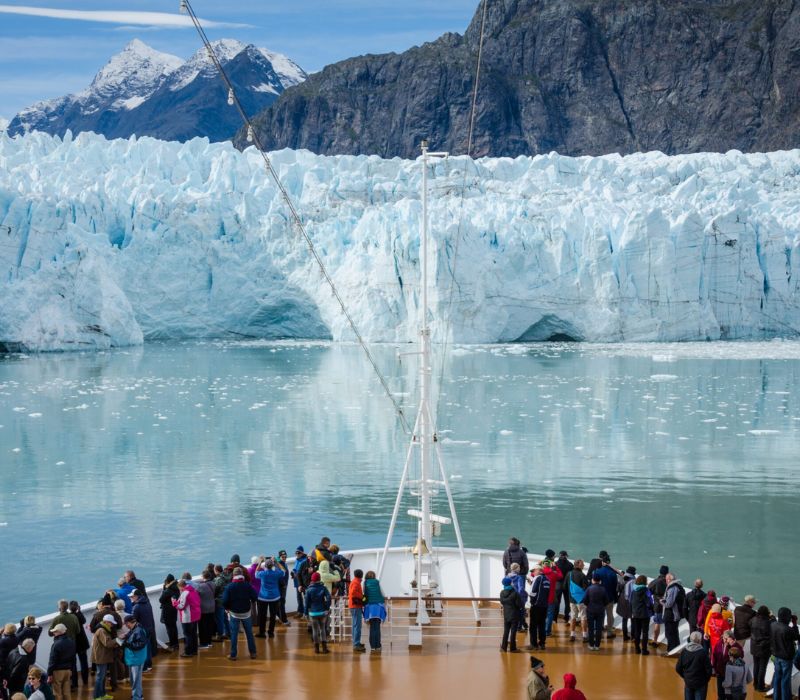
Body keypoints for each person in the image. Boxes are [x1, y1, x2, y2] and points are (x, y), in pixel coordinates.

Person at [222, 568, 258, 661]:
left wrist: (227, 608)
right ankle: (253, 653)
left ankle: (233, 655)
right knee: (249, 633)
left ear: (233, 575)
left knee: (234, 634)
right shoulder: (248, 585)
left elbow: (224, 600)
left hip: (234, 613)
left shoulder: (229, 587)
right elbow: (254, 597)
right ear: (242, 575)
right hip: (246, 613)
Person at [770, 607, 799, 700]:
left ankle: (776, 697)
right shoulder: (788, 629)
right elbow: (796, 637)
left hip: (776, 655)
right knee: (785, 680)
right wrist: (794, 624)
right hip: (786, 658)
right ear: (787, 618)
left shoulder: (773, 625)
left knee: (777, 678)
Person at [675, 630, 713, 700]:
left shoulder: (684, 651)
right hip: (701, 683)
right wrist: (705, 680)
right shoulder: (703, 653)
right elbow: (709, 670)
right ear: (699, 640)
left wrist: (685, 677)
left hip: (688, 682)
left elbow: (678, 668)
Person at [91, 614, 118, 700]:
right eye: (111, 623)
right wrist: (117, 640)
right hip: (101, 657)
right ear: (106, 622)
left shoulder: (103, 629)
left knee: (102, 677)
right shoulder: (102, 630)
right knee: (100, 677)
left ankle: (102, 695)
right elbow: (108, 643)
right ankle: (97, 696)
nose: (112, 625)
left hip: (102, 657)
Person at [255, 557, 283, 639]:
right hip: (275, 597)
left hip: (263, 597)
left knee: (262, 616)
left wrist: (260, 562)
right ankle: (271, 632)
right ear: (272, 566)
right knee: (273, 616)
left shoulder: (262, 574)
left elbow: (256, 572)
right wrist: (276, 562)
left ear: (265, 566)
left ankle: (262, 632)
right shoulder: (276, 573)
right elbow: (283, 571)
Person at [121, 615, 148, 700]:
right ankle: (138, 695)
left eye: (126, 624)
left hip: (136, 659)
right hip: (133, 658)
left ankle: (137, 697)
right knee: (134, 679)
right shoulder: (135, 628)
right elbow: (134, 637)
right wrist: (126, 636)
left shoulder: (139, 630)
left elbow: (141, 644)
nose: (125, 626)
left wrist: (128, 644)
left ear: (129, 623)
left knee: (136, 680)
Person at [305, 572, 331, 654]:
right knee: (322, 629)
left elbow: (306, 603)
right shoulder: (323, 588)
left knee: (315, 630)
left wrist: (306, 613)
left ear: (312, 580)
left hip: (313, 613)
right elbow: (329, 597)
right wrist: (327, 607)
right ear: (319, 579)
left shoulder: (308, 590)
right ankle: (324, 648)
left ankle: (316, 649)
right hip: (322, 612)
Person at [173, 579, 201, 657]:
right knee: (194, 634)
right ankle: (194, 650)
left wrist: (174, 603)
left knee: (188, 634)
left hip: (188, 617)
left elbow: (181, 606)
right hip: (195, 615)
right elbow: (198, 601)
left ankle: (188, 652)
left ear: (181, 586)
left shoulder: (185, 593)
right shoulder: (194, 591)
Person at [129, 589, 156, 671]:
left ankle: (144, 667)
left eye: (132, 597)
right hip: (149, 628)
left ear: (136, 597)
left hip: (142, 630)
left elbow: (133, 620)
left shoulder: (136, 607)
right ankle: (149, 665)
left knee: (142, 649)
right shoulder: (147, 603)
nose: (131, 598)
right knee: (148, 647)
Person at [47, 623, 75, 700]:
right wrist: (72, 669)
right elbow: (73, 658)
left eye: (55, 631)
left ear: (59, 632)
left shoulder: (56, 644)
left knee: (57, 693)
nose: (54, 633)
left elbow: (52, 660)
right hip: (68, 670)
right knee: (67, 692)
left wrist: (49, 674)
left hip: (58, 672)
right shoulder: (71, 642)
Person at [712, 631, 743, 700]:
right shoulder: (719, 644)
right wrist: (714, 668)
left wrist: (734, 645)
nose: (725, 640)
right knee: (720, 693)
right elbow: (714, 656)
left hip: (730, 674)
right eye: (724, 638)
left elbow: (741, 655)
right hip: (720, 672)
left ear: (731, 638)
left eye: (727, 638)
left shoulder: (735, 645)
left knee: (730, 694)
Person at [593, 557, 619, 638]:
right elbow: (615, 587)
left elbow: (594, 584)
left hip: (599, 597)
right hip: (609, 597)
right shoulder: (613, 573)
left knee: (600, 615)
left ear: (602, 562)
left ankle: (599, 632)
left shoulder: (597, 571)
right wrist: (615, 597)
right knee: (610, 614)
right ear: (609, 563)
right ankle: (609, 632)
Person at [749, 605, 772, 692]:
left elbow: (749, 624)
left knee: (756, 665)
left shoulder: (753, 620)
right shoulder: (768, 623)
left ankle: (755, 684)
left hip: (754, 646)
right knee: (762, 667)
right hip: (764, 648)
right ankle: (760, 686)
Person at [629, 574, 653, 655]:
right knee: (645, 632)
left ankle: (637, 649)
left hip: (635, 614)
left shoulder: (633, 590)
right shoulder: (646, 590)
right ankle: (644, 650)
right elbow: (649, 602)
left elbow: (630, 601)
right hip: (645, 614)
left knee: (637, 632)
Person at [363, 571, 386, 653]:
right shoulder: (377, 582)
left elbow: (364, 594)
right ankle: (378, 646)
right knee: (377, 627)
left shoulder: (365, 583)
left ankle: (372, 646)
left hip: (370, 608)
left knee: (372, 628)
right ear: (374, 576)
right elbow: (382, 593)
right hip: (379, 608)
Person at [584, 574, 609, 651]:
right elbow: (606, 601)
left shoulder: (589, 589)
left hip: (590, 610)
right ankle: (597, 645)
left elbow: (585, 600)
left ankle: (591, 645)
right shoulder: (603, 589)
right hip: (600, 611)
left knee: (591, 628)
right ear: (600, 581)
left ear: (593, 580)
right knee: (599, 629)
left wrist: (589, 605)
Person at [527, 566, 550, 651]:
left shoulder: (537, 578)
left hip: (536, 606)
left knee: (533, 626)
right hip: (544, 606)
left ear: (538, 570)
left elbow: (532, 592)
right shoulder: (547, 579)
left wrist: (532, 602)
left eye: (534, 571)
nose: (533, 573)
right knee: (542, 625)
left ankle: (533, 644)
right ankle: (542, 643)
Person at [68, 601, 89, 689]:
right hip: (82, 642)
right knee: (83, 661)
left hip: (72, 643)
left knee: (73, 664)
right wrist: (79, 611)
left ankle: (75, 683)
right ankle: (85, 680)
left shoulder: (69, 617)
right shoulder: (79, 616)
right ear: (77, 607)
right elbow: (84, 621)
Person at [662, 572, 685, 653]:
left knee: (669, 634)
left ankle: (670, 651)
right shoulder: (678, 586)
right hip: (676, 614)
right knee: (674, 632)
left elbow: (669, 604)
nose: (665, 581)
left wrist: (662, 601)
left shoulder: (672, 588)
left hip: (672, 615)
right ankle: (676, 649)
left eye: (666, 579)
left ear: (669, 579)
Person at [566, 559, 588, 643]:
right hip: (581, 600)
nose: (584, 566)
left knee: (573, 617)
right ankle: (585, 636)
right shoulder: (582, 575)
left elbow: (565, 586)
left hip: (572, 600)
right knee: (583, 617)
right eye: (582, 564)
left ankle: (572, 635)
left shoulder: (569, 574)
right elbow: (586, 588)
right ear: (578, 565)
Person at [648, 565, 669, 647]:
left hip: (658, 606)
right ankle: (668, 642)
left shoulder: (655, 582)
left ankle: (655, 641)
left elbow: (648, 591)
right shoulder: (669, 582)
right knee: (668, 624)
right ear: (667, 573)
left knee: (657, 623)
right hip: (667, 606)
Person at [195, 570, 217, 648]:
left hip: (203, 609)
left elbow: (196, 594)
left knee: (202, 626)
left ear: (203, 576)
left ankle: (203, 643)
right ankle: (209, 642)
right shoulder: (213, 584)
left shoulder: (201, 586)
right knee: (209, 625)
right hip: (212, 607)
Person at [542, 559, 564, 637]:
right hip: (551, 597)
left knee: (542, 614)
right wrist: (555, 567)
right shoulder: (553, 574)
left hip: (541, 598)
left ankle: (541, 631)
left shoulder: (541, 573)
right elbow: (561, 575)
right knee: (550, 614)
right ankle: (547, 631)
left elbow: (532, 574)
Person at [500, 576, 522, 652]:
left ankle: (503, 647)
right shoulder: (515, 593)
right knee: (513, 632)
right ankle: (513, 648)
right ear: (510, 583)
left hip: (506, 615)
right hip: (514, 615)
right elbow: (519, 604)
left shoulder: (502, 593)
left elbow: (502, 602)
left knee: (506, 631)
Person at [158, 575, 180, 651]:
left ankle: (172, 644)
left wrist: (164, 589)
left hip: (167, 612)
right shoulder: (176, 588)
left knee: (169, 629)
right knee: (174, 627)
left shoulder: (168, 590)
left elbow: (161, 600)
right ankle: (176, 644)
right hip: (174, 610)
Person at [348, 568, 366, 653]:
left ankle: (356, 642)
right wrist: (362, 597)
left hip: (353, 606)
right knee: (357, 626)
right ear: (361, 575)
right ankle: (356, 644)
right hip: (356, 606)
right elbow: (353, 593)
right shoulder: (356, 583)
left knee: (355, 625)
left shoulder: (354, 581)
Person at [616, 566, 636, 642]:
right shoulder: (633, 580)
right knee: (633, 619)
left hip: (622, 600)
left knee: (624, 619)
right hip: (631, 602)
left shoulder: (622, 578)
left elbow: (618, 589)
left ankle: (625, 636)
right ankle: (633, 636)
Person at [554, 552, 574, 624]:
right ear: (566, 556)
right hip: (567, 585)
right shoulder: (570, 565)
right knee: (567, 602)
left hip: (558, 584)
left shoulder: (555, 564)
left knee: (557, 602)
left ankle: (554, 618)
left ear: (560, 555)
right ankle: (566, 618)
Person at [212, 564, 230, 641]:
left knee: (219, 619)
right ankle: (228, 632)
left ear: (216, 571)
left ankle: (220, 635)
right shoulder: (227, 577)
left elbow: (215, 591)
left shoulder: (218, 580)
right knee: (225, 618)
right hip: (225, 599)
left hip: (219, 601)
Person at [291, 546, 310, 618]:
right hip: (297, 582)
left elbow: (303, 572)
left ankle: (306, 613)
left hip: (304, 582)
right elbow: (295, 569)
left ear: (302, 553)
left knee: (306, 597)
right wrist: (293, 573)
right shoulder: (297, 560)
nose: (297, 554)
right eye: (296, 553)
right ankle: (300, 611)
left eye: (298, 552)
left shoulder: (305, 561)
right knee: (299, 597)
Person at [509, 563, 528, 633]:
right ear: (516, 569)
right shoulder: (519, 577)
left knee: (513, 613)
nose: (519, 569)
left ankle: (520, 626)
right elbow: (521, 589)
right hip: (518, 598)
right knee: (521, 612)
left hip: (510, 598)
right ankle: (519, 627)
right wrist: (524, 596)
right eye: (519, 568)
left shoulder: (507, 577)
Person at [275, 550, 292, 625]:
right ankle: (284, 620)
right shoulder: (279, 565)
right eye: (283, 557)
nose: (284, 558)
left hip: (283, 587)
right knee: (281, 603)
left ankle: (280, 618)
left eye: (285, 556)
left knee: (280, 603)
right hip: (281, 587)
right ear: (279, 557)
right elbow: (280, 576)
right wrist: (283, 584)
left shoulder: (283, 563)